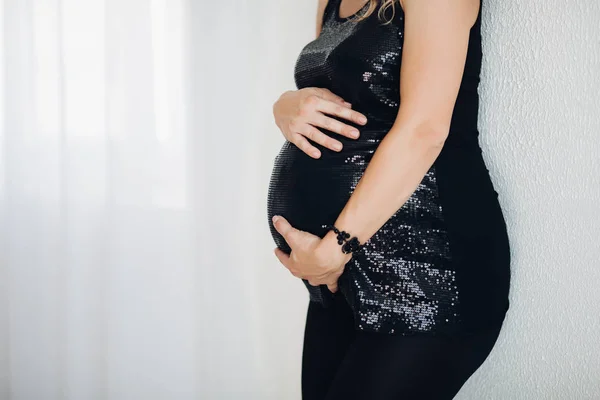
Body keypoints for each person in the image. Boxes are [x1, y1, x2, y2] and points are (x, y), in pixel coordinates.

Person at [267, 0, 511, 398]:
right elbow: (332, 92)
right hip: (340, 274)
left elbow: (424, 130)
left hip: (425, 270)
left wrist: (336, 246)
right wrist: (286, 105)